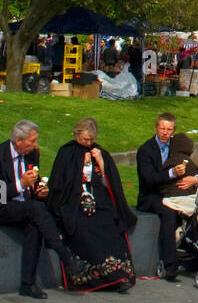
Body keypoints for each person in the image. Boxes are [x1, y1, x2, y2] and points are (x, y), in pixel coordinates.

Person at [0, 120, 89, 298]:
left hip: (25, 206)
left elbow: (35, 182)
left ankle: (28, 284)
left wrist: (40, 189)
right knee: (36, 209)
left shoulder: (32, 155)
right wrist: (20, 184)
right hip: (4, 206)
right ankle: (67, 258)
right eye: (31, 141)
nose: (35, 145)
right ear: (18, 141)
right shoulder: (0, 155)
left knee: (35, 223)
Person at [48, 118, 136, 292]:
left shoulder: (99, 152)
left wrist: (102, 165)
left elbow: (110, 183)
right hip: (74, 204)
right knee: (85, 227)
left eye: (91, 140)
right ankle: (97, 274)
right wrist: (80, 165)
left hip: (100, 202)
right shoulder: (66, 152)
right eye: (84, 140)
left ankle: (118, 274)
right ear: (76, 135)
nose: (88, 143)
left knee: (110, 224)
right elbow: (60, 184)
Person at [137, 113, 198, 281]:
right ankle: (170, 264)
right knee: (169, 212)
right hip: (152, 195)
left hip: (175, 193)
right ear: (156, 128)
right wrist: (171, 173)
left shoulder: (176, 147)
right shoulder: (146, 150)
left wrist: (195, 179)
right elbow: (149, 178)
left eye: (169, 130)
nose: (165, 133)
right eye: (162, 129)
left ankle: (194, 257)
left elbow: (194, 168)